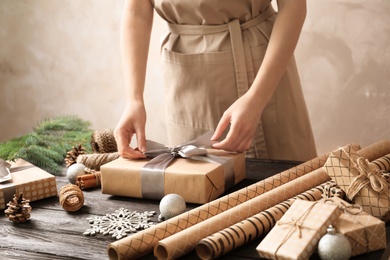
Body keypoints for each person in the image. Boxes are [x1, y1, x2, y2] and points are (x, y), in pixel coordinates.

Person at [114, 0, 317, 161]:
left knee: (291, 200)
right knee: (197, 192)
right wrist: (134, 100)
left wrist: (256, 98)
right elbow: (136, 10)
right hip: (186, 83)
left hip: (262, 73)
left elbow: (293, 4)